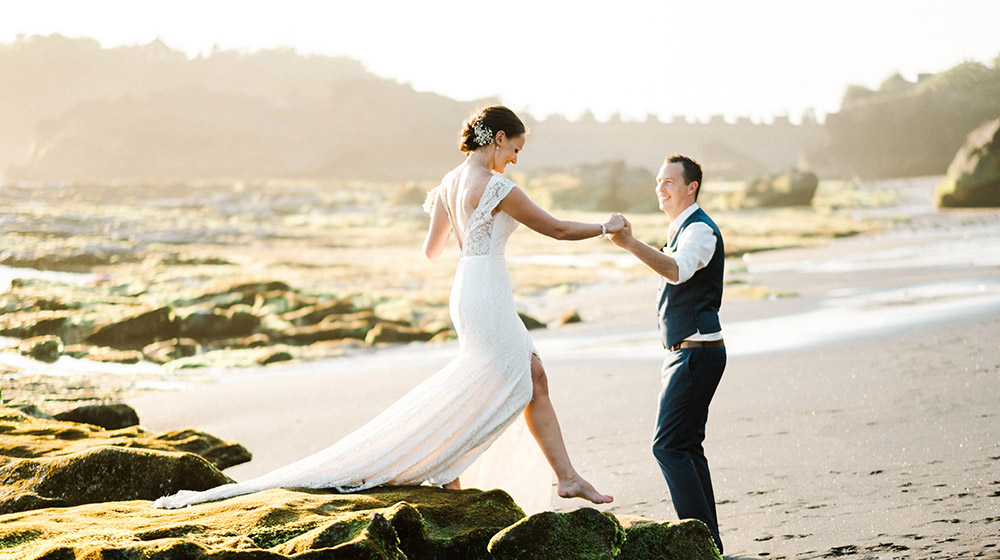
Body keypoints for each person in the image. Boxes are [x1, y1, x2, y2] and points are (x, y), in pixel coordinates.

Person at [153, 105, 619, 509]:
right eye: (515, 148)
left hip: (469, 288)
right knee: (499, 382)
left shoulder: (449, 183)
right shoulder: (497, 188)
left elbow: (432, 250)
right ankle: (453, 467)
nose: (516, 159)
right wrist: (606, 226)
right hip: (488, 291)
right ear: (498, 139)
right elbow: (556, 229)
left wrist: (464, 225)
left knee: (531, 374)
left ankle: (562, 477)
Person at [607, 154, 726, 553]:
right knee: (687, 446)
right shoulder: (679, 229)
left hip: (697, 351)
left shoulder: (700, 232)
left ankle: (698, 545)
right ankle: (709, 543)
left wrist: (629, 243)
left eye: (670, 181)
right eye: (658, 181)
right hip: (686, 352)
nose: (661, 187)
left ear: (691, 187)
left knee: (669, 446)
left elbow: (676, 270)